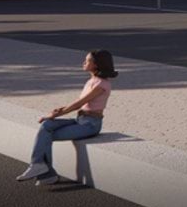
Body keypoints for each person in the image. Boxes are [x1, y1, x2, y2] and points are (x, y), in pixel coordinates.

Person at [16, 50, 117, 185]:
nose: (83, 62)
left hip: (90, 125)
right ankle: (40, 167)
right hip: (80, 120)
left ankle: (45, 173)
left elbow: (79, 104)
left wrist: (57, 114)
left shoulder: (102, 85)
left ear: (96, 64)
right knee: (46, 126)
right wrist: (60, 109)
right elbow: (81, 102)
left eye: (87, 60)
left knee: (47, 135)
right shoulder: (92, 80)